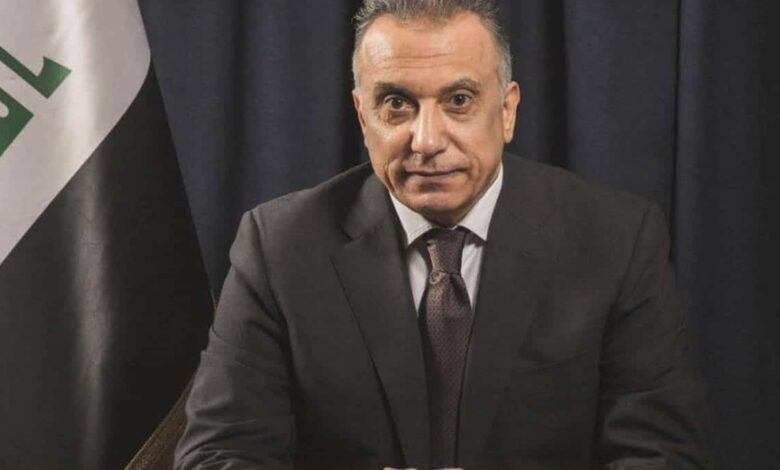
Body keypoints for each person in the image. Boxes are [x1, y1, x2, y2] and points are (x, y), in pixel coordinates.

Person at [174, 1, 709, 469]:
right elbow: (215, 456)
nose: (426, 140)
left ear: (507, 111)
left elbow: (662, 457)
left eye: (458, 100)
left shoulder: (616, 240)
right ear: (363, 117)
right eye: (396, 104)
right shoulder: (279, 247)